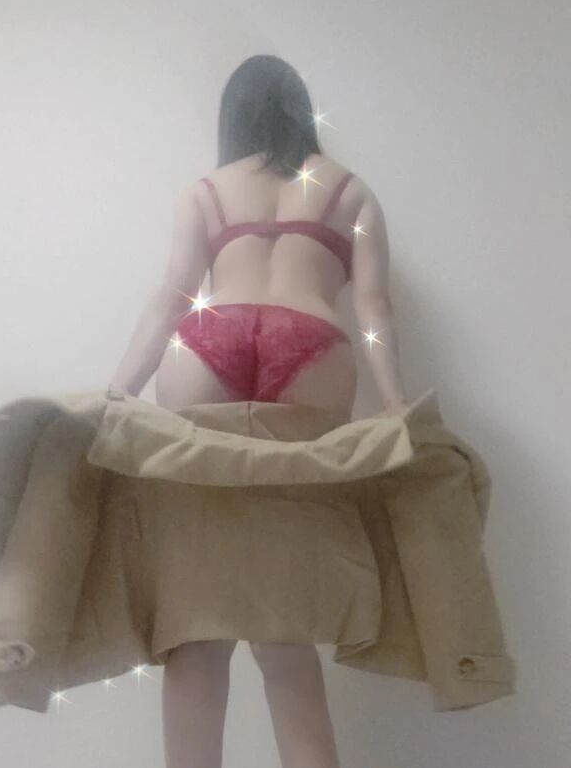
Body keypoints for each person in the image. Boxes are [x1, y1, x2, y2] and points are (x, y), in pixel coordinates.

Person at [108, 54, 408, 768]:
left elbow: (171, 298)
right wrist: (399, 407)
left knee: (194, 625)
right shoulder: (352, 192)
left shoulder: (208, 190)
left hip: (205, 350)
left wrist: (117, 393)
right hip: (312, 349)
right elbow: (374, 309)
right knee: (285, 629)